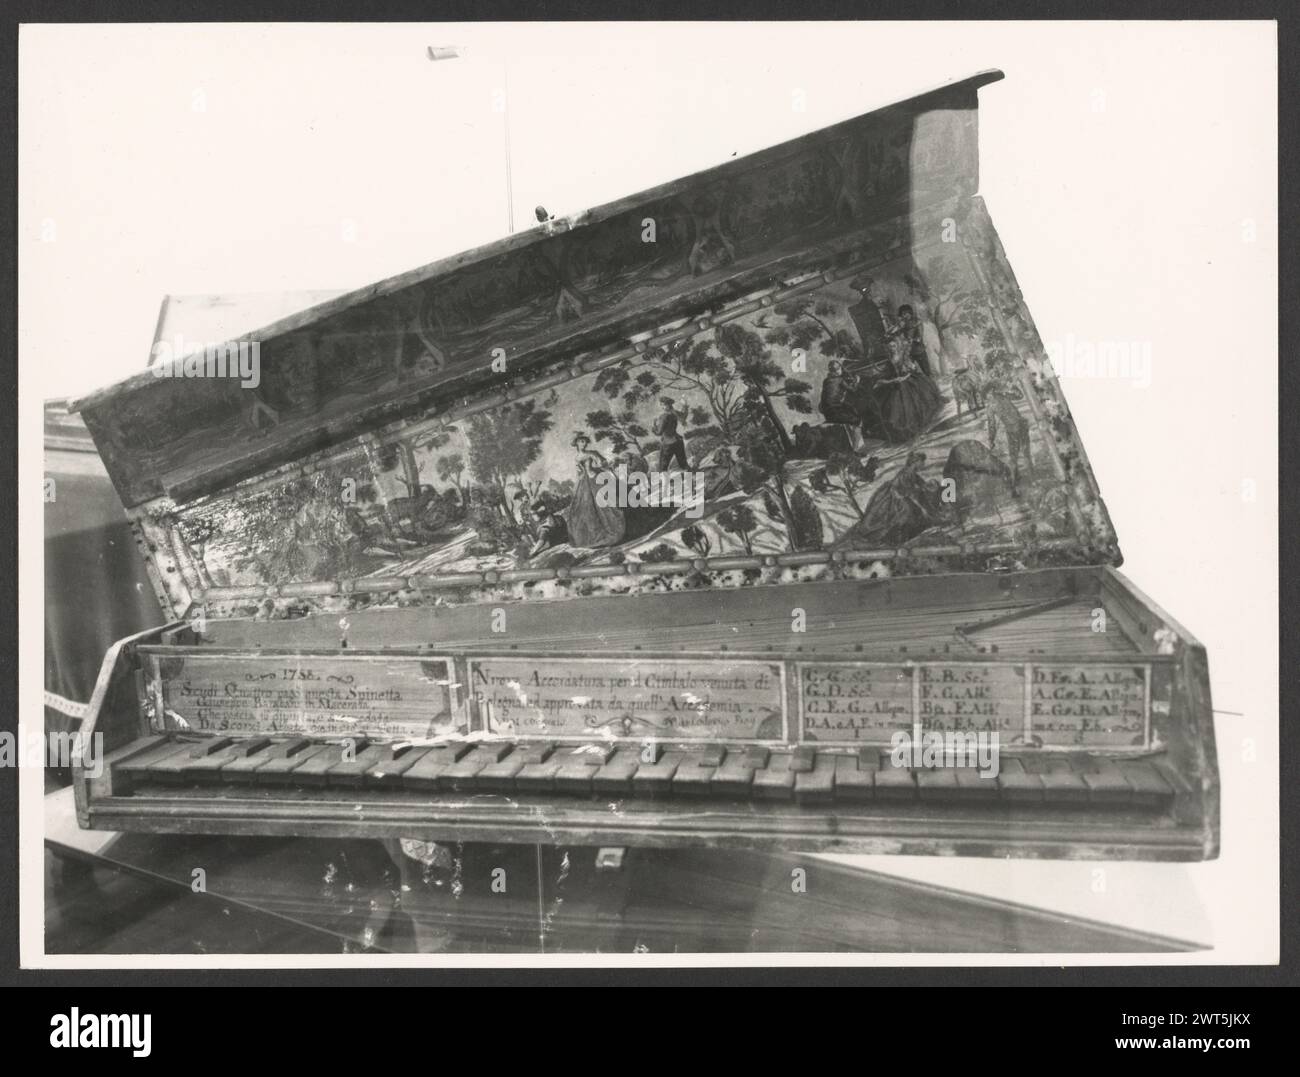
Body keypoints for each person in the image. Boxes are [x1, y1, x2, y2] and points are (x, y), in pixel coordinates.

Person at [848, 451, 950, 547]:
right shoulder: (905, 474)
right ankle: (894, 539)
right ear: (915, 463)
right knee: (907, 511)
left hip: (903, 495)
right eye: (922, 462)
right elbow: (909, 493)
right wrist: (922, 507)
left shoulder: (912, 473)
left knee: (920, 503)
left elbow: (921, 484)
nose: (923, 464)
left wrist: (930, 485)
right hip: (894, 497)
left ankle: (924, 523)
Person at [875, 320, 945, 443]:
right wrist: (892, 379)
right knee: (899, 410)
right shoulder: (889, 360)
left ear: (896, 345)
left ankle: (921, 430)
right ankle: (911, 433)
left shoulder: (902, 356)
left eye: (894, 346)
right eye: (890, 347)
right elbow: (888, 373)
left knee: (917, 403)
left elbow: (910, 366)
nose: (892, 348)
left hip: (908, 380)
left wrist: (909, 369)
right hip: (898, 383)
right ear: (887, 348)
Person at [564, 432, 626, 548]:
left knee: (607, 501)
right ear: (576, 443)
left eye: (585, 441)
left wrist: (599, 462)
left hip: (596, 477)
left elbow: (602, 462)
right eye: (581, 441)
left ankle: (617, 527)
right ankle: (599, 535)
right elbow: (580, 473)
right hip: (586, 482)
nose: (584, 443)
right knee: (587, 507)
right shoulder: (577, 458)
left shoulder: (591, 453)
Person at [652, 398, 689, 472]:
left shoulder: (664, 416)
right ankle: (693, 478)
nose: (662, 407)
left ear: (668, 405)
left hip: (668, 443)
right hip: (678, 441)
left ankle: (664, 482)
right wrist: (684, 405)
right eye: (661, 405)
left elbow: (659, 433)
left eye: (663, 405)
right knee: (683, 464)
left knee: (663, 466)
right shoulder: (674, 413)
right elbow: (684, 416)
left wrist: (654, 425)